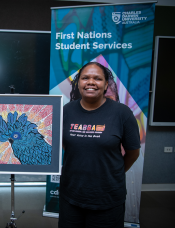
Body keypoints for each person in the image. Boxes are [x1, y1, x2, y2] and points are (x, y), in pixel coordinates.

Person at [59, 62, 140, 228]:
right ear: (78, 83)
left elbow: (133, 153)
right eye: (85, 78)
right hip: (71, 195)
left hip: (107, 198)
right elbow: (66, 146)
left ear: (105, 85)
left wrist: (112, 173)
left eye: (97, 78)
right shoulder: (66, 111)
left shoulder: (122, 113)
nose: (91, 82)